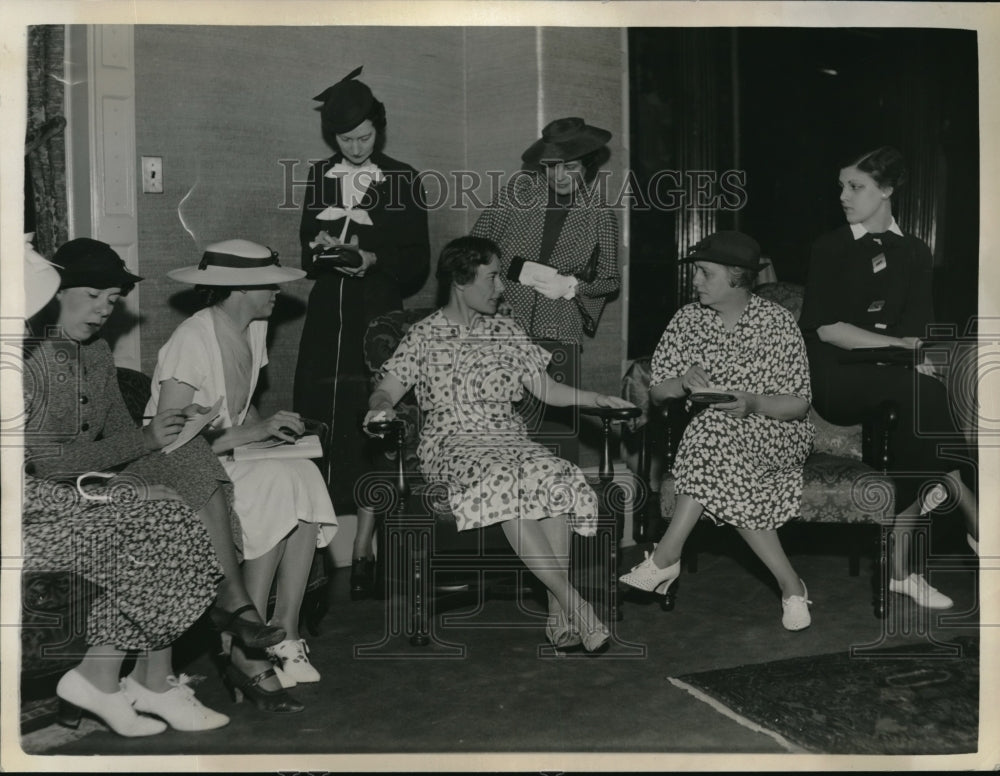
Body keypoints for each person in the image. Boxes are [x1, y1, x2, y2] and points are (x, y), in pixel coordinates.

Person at [363, 236, 635, 652]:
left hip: (508, 438)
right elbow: (385, 391)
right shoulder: (423, 336)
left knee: (555, 473)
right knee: (505, 479)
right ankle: (575, 604)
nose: (501, 287)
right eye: (491, 277)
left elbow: (547, 389)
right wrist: (381, 407)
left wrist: (596, 399)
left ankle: (558, 616)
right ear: (460, 281)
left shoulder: (507, 330)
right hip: (453, 442)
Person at [21, 239, 230, 734]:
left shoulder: (95, 353)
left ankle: (130, 678)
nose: (102, 310)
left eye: (111, 300)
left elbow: (121, 434)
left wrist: (164, 434)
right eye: (92, 295)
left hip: (79, 493)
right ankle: (135, 681)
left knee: (175, 500)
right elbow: (41, 467)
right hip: (35, 509)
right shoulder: (25, 361)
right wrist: (126, 482)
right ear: (52, 294)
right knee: (158, 523)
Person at [151, 239, 337, 699]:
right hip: (182, 466)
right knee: (275, 483)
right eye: (269, 284)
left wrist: (268, 433)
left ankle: (285, 632)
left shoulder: (255, 327)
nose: (277, 291)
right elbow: (170, 440)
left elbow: (240, 405)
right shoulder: (191, 339)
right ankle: (245, 644)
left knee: (303, 472)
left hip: (227, 455)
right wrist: (253, 434)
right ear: (238, 288)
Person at [799, 146, 978, 609]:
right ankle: (973, 513)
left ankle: (900, 569)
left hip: (893, 377)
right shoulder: (830, 247)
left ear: (886, 190)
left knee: (920, 420)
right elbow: (829, 329)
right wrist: (899, 349)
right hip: (835, 376)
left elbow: (918, 329)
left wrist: (912, 354)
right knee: (923, 395)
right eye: (841, 185)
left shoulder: (916, 251)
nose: (843, 195)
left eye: (855, 186)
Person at [618, 231, 815, 631]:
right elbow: (657, 393)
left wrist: (754, 403)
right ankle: (791, 585)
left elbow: (799, 404)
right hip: (714, 441)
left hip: (778, 432)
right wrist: (682, 382)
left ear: (737, 276)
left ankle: (665, 557)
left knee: (709, 433)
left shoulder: (777, 322)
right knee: (713, 430)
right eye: (696, 272)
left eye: (705, 273)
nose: (695, 281)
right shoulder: (687, 320)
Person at [294, 66, 430, 599]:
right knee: (321, 417)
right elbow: (305, 247)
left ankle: (367, 545)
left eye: (364, 138)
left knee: (375, 418)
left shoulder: (403, 178)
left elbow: (417, 263)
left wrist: (371, 258)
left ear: (380, 129)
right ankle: (318, 547)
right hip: (327, 316)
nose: (354, 148)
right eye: (345, 140)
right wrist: (323, 250)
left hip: (377, 315)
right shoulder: (318, 175)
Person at [470, 116, 620, 348]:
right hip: (503, 323)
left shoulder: (599, 213)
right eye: (551, 166)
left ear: (587, 167)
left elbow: (610, 281)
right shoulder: (516, 194)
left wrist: (572, 286)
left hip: (560, 327)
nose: (558, 176)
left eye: (569, 167)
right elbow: (473, 252)